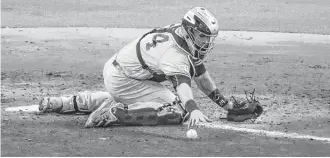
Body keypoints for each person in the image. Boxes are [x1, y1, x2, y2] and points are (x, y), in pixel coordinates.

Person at [39, 7, 242, 127]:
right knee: (177, 111)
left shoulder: (183, 37)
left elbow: (201, 76)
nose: (206, 41)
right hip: (126, 80)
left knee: (139, 95)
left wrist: (227, 106)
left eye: (208, 37)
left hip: (121, 72)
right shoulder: (174, 54)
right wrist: (193, 108)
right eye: (202, 36)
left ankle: (64, 103)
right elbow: (183, 87)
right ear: (190, 30)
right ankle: (117, 114)